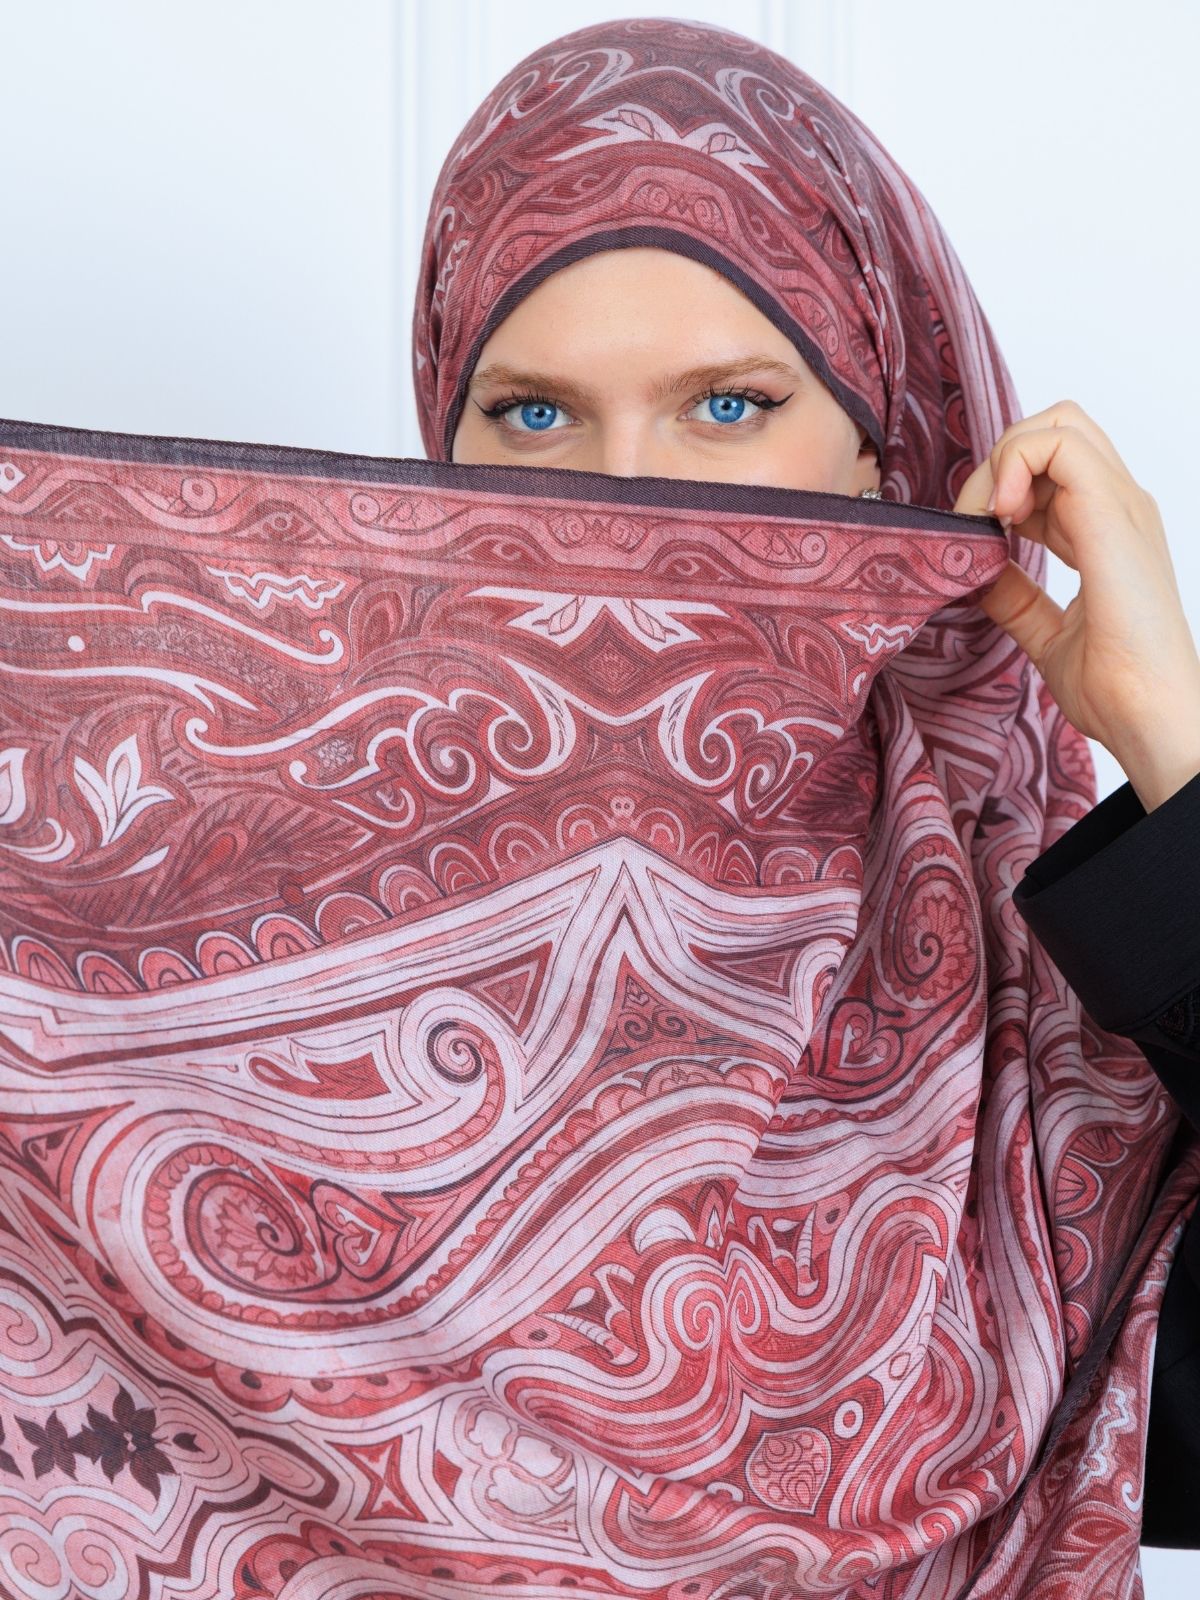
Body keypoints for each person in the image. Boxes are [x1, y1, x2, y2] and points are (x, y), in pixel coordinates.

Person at [411, 14, 1200, 1591]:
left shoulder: (1044, 1022)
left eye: (727, 405)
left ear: (877, 449)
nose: (627, 501)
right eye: (536, 412)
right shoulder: (260, 934)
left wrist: (1172, 746)